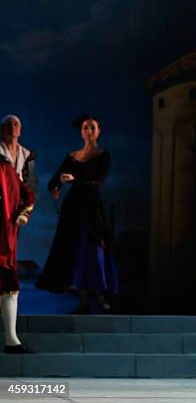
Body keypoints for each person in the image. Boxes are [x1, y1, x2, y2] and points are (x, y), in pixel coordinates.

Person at [36, 116, 118, 313]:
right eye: (85, 128)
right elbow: (53, 183)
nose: (88, 131)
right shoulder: (72, 156)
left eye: (92, 127)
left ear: (98, 131)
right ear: (81, 132)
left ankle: (99, 297)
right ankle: (82, 303)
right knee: (77, 252)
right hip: (73, 209)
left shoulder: (103, 155)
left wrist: (73, 180)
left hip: (92, 207)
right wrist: (56, 188)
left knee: (96, 251)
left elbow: (97, 183)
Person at [0, 155, 35, 353]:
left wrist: (24, 213)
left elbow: (28, 195)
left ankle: (12, 340)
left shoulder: (6, 168)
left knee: (9, 287)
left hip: (3, 240)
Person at [0, 115, 38, 198]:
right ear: (2, 130)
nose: (12, 127)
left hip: (20, 200)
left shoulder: (27, 154)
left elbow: (31, 182)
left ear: (19, 131)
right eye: (8, 124)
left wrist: (30, 200)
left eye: (15, 124)